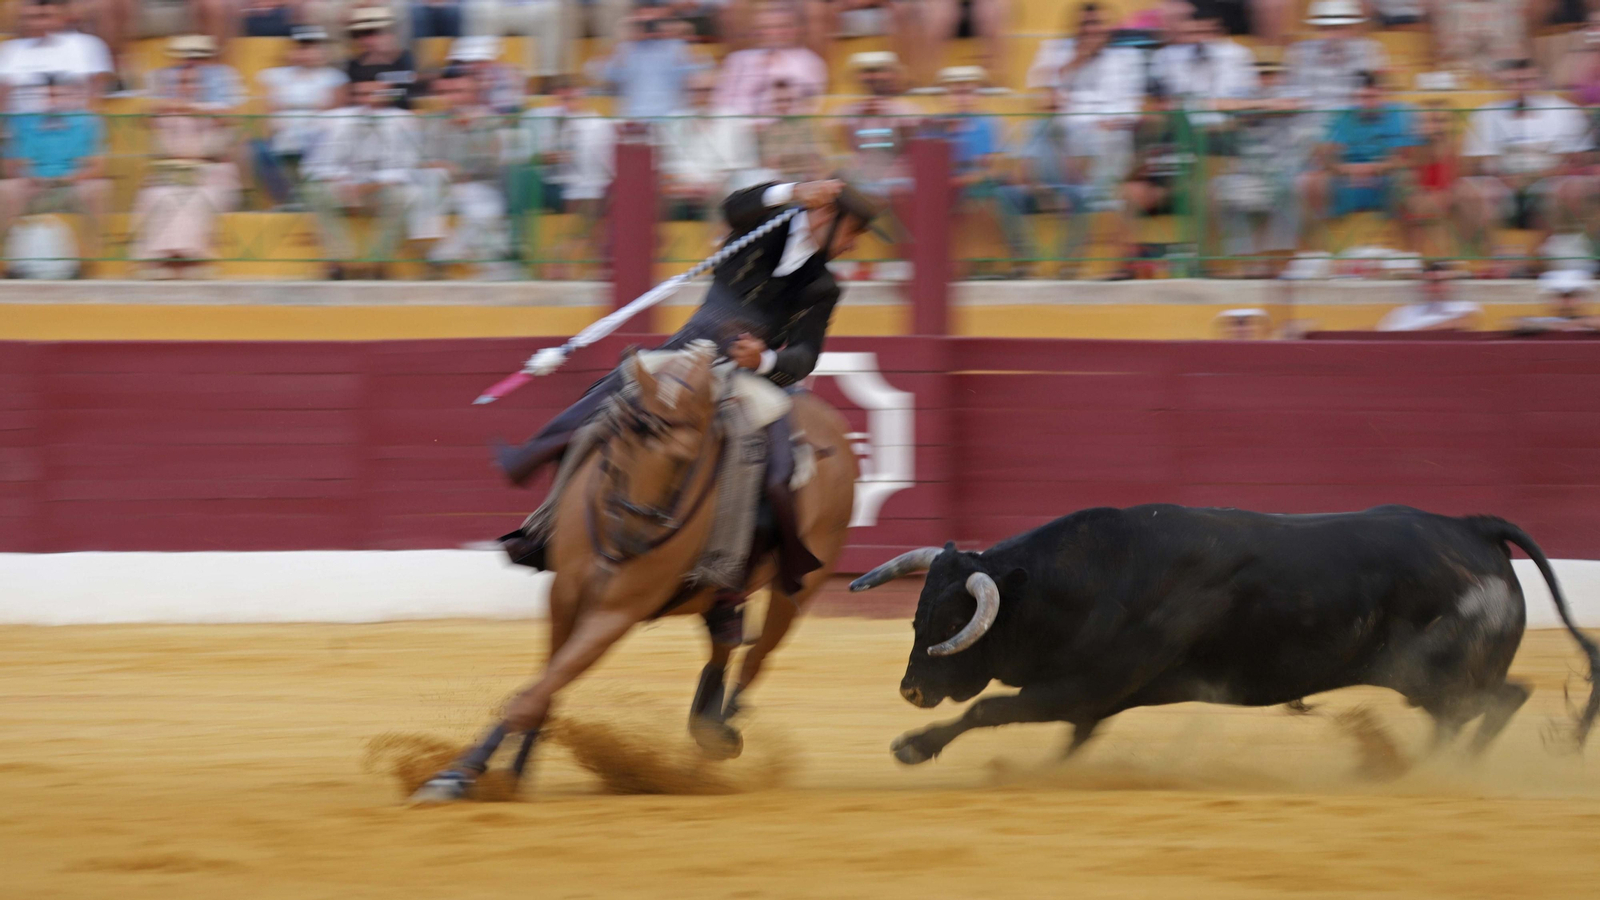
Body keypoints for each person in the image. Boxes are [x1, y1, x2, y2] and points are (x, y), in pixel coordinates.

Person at [494, 178, 885, 637]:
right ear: (825, 215)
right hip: (686, 350)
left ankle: (728, 590)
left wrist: (765, 360)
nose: (853, 244)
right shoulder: (765, 226)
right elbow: (735, 205)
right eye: (852, 231)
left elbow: (804, 356)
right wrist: (795, 190)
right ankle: (547, 529)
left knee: (777, 474)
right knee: (593, 411)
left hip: (747, 380)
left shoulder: (823, 286)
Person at [1459, 57, 1594, 273]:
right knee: (1466, 191)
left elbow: (1574, 160)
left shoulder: (1565, 111)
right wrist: (1506, 178)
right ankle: (1495, 260)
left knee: (1573, 188)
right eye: (1513, 82)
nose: (1521, 88)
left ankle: (1541, 258)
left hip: (1550, 182)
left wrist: (1536, 177)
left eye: (1527, 81)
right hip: (1502, 186)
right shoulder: (1485, 114)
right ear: (1503, 84)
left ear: (1540, 82)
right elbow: (1477, 162)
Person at [302, 76, 423, 279]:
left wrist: (374, 183)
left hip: (380, 190)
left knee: (405, 196)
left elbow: (408, 166)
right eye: (360, 94)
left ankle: (379, 262)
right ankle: (340, 260)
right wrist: (341, 179)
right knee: (314, 190)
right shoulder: (333, 120)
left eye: (372, 94)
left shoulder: (404, 120)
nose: (366, 100)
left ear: (385, 95)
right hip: (344, 187)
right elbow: (314, 165)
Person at [1026, 3, 1148, 199]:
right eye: (1085, 24)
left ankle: (1091, 200)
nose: (1091, 29)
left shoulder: (1127, 56)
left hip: (1108, 128)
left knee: (1108, 139)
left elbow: (1133, 105)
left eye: (1097, 23)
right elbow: (1042, 97)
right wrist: (1077, 60)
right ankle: (1060, 196)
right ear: (1074, 26)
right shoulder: (1055, 50)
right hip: (1066, 128)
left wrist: (1113, 122)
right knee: (1036, 130)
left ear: (1109, 27)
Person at [132, 62, 242, 278]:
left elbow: (231, 120)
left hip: (211, 175)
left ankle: (192, 259)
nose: (188, 86)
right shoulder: (168, 111)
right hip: (172, 174)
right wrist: (170, 105)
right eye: (182, 82)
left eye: (193, 82)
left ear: (203, 85)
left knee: (196, 198)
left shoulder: (215, 110)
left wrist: (197, 110)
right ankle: (161, 259)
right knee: (158, 195)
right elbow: (144, 116)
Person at [0, 74, 109, 276]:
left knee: (97, 188)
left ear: (71, 97)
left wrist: (68, 179)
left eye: (59, 96)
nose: (52, 102)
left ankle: (91, 261)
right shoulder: (22, 123)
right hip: (34, 186)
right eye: (47, 96)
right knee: (7, 189)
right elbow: (12, 165)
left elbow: (97, 166)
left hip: (70, 186)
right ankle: (6, 263)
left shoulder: (87, 122)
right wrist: (32, 178)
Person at [1301, 71, 1422, 251]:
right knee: (1311, 182)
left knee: (1406, 181)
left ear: (1383, 94)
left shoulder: (1399, 114)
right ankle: (1319, 253)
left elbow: (1405, 158)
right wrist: (1348, 170)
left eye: (1372, 97)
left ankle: (1410, 256)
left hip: (1386, 178)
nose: (1367, 103)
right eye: (1362, 97)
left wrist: (1371, 169)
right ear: (1354, 97)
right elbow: (1327, 157)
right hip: (1345, 178)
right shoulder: (1342, 116)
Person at [927, 66, 1029, 277]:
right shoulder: (935, 125)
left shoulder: (991, 124)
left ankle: (1020, 260)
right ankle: (941, 263)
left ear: (978, 95)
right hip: (948, 186)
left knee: (1008, 196)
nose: (962, 98)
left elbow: (999, 164)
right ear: (945, 96)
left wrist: (975, 175)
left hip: (981, 184)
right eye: (956, 92)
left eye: (968, 92)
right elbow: (930, 165)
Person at [415, 67, 513, 279]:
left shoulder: (491, 121)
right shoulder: (434, 122)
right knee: (423, 190)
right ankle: (491, 264)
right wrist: (446, 169)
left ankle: (441, 256)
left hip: (481, 187)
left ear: (474, 93)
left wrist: (470, 132)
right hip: (441, 188)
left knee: (482, 209)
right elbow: (423, 161)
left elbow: (492, 164)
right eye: (446, 92)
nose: (452, 98)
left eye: (459, 91)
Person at [515, 76, 615, 278]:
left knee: (595, 197)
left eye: (571, 99)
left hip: (586, 186)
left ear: (582, 99)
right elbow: (520, 156)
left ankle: (562, 256)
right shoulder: (537, 119)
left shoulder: (597, 126)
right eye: (560, 100)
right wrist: (541, 158)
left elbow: (608, 167)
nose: (565, 106)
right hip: (548, 184)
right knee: (519, 177)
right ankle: (521, 247)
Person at [253, 25, 347, 207]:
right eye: (302, 47)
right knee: (257, 148)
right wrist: (312, 105)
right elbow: (269, 106)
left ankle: (309, 197)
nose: (307, 52)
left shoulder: (334, 77)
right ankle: (285, 201)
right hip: (283, 132)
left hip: (319, 135)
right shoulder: (275, 75)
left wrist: (290, 104)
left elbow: (334, 108)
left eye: (312, 47)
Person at [1111, 81, 1196, 279]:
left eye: (1163, 100)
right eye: (1154, 101)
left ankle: (1202, 261)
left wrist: (1172, 189)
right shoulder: (1141, 128)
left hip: (1182, 187)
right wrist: (1150, 138)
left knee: (1205, 192)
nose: (1160, 106)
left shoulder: (1183, 123)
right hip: (1154, 189)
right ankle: (1128, 262)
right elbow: (1132, 174)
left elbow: (1194, 165)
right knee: (1128, 192)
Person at [658, 69, 761, 222]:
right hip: (682, 188)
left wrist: (716, 184)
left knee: (726, 198)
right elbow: (667, 164)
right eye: (696, 91)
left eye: (707, 90)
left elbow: (746, 163)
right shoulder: (673, 122)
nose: (702, 96)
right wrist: (686, 185)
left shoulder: (734, 121)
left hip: (723, 188)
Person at [713, 1, 827, 117]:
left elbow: (808, 108)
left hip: (783, 125)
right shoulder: (737, 59)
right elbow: (720, 102)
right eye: (766, 28)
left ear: (796, 29)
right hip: (735, 123)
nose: (773, 33)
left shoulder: (809, 62)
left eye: (781, 26)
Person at [595, 6, 707, 119]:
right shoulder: (625, 48)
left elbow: (702, 73)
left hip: (670, 116)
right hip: (633, 118)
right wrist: (622, 38)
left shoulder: (675, 46)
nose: (649, 27)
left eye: (653, 22)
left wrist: (685, 35)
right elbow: (599, 74)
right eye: (643, 22)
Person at [0, 0, 113, 111]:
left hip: (75, 118)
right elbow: (3, 98)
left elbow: (96, 94)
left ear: (61, 16)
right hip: (25, 119)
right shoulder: (10, 50)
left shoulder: (87, 45)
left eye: (45, 16)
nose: (38, 24)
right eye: (32, 17)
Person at [1283, 0, 1387, 119]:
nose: (1333, 35)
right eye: (1326, 28)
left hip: (1353, 122)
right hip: (1310, 122)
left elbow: (1375, 98)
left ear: (1353, 28)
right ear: (1317, 30)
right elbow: (1290, 96)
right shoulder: (1299, 52)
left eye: (1340, 28)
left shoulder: (1369, 50)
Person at [835, 52, 918, 198]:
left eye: (879, 71)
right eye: (866, 72)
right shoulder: (847, 110)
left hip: (898, 185)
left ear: (893, 75)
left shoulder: (907, 109)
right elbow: (843, 148)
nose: (873, 77)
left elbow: (909, 147)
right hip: (860, 184)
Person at [462, 0, 562, 86]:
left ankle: (546, 77)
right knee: (480, 8)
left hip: (534, 7)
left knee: (553, 10)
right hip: (496, 6)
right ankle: (479, 78)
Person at [345, 6, 422, 109]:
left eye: (374, 33)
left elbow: (407, 94)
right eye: (360, 35)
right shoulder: (355, 64)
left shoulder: (405, 59)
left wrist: (382, 94)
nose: (367, 40)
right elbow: (353, 95)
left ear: (390, 34)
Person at [1377, 261, 1483, 331]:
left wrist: (1410, 333)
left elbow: (1464, 323)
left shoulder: (1465, 307)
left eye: (1440, 282)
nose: (1436, 288)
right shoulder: (1402, 313)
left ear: (1450, 285)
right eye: (1430, 282)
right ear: (1422, 286)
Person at [148, 34, 245, 110]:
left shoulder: (224, 74)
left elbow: (231, 111)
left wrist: (190, 108)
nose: (191, 62)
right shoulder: (162, 75)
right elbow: (152, 109)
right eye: (185, 57)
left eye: (198, 57)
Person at [446, 35, 525, 114]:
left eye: (480, 61)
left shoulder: (506, 76)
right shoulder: (459, 76)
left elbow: (507, 109)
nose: (476, 65)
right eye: (471, 62)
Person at [1516, 267, 1600, 330]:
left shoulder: (1593, 323)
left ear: (1586, 298)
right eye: (1561, 296)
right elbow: (1520, 323)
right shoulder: (1541, 322)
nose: (1567, 302)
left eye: (1573, 296)